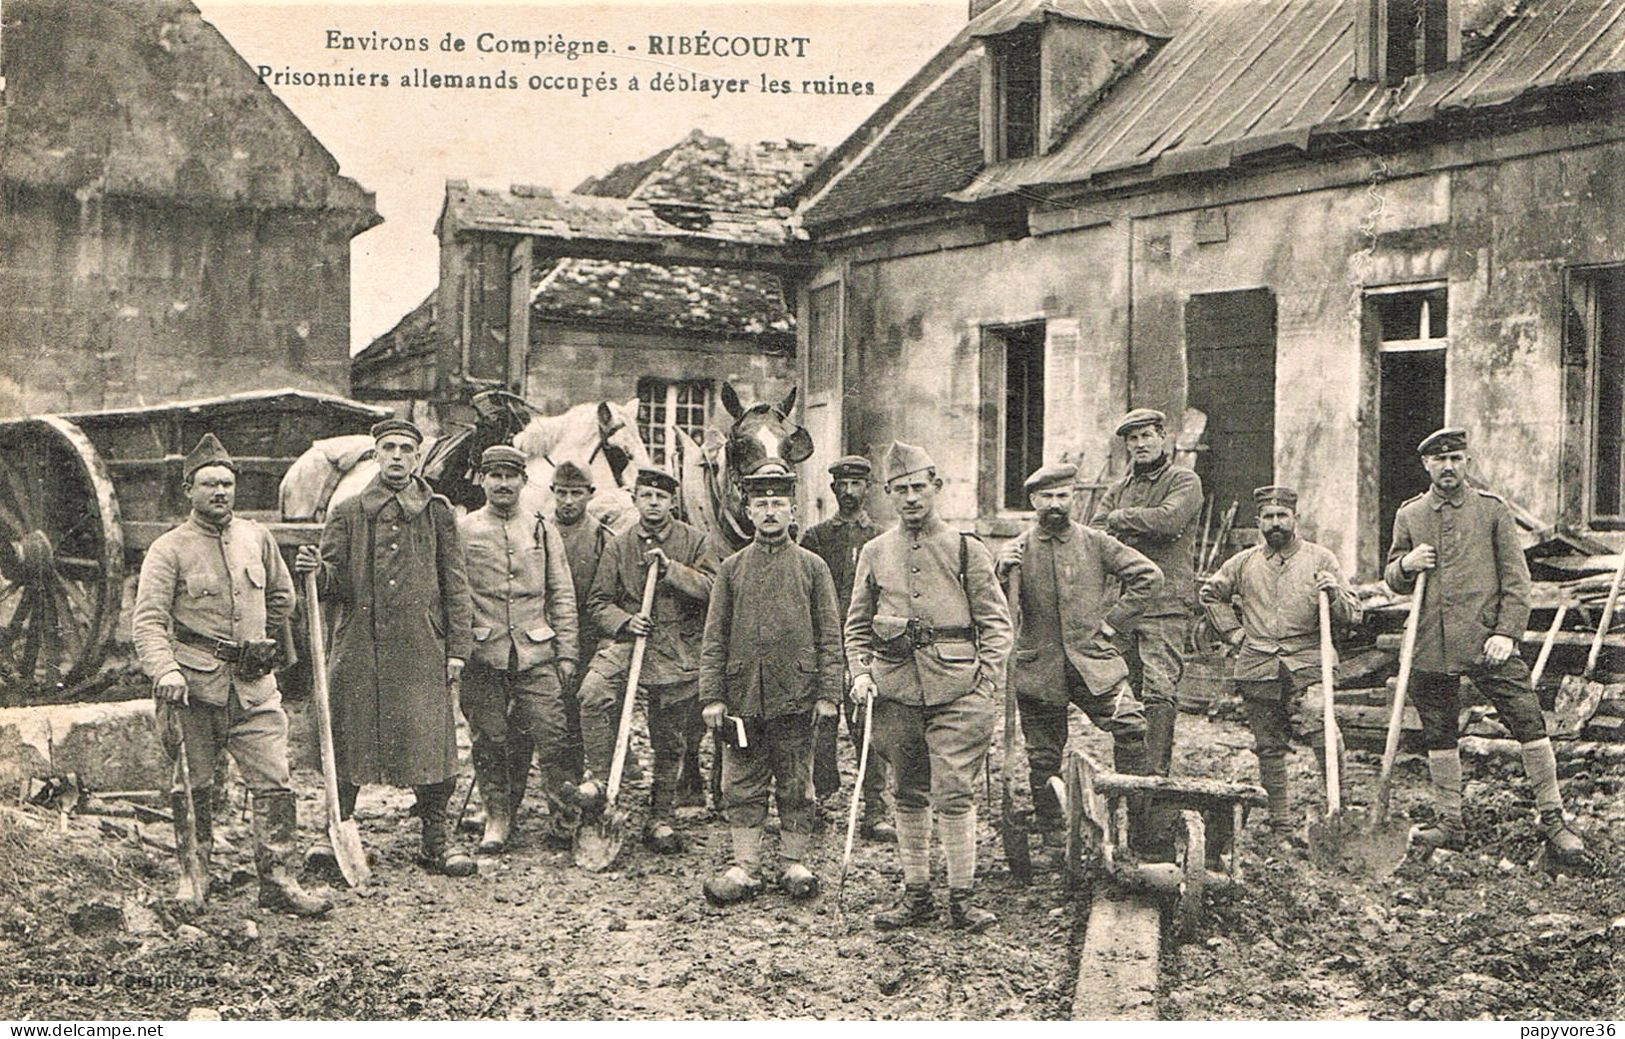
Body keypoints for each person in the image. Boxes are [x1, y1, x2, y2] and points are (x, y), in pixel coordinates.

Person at [131, 433, 330, 916]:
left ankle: (280, 881)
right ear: (189, 491)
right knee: (195, 787)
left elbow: (283, 596)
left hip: (254, 686)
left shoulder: (255, 537)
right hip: (194, 690)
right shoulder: (168, 549)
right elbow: (148, 623)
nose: (220, 492)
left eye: (226, 484)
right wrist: (166, 671)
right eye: (209, 484)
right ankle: (193, 879)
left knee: (275, 782)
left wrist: (263, 642)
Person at [1384, 428, 1586, 865]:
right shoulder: (1411, 514)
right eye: (1440, 460)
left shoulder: (1492, 511)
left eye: (1456, 457)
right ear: (1427, 465)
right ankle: (1449, 822)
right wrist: (1406, 564)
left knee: (1528, 719)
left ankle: (1553, 818)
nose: (1449, 466)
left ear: (1467, 461)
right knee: (1438, 730)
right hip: (1431, 643)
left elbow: (1517, 581)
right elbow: (1393, 577)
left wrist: (1506, 634)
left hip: (1486, 639)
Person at [294, 417, 477, 879]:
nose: (397, 456)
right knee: (346, 738)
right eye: (388, 448)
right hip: (358, 646)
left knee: (430, 743)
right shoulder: (349, 512)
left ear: (417, 458)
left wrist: (457, 648)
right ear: (376, 456)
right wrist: (315, 570)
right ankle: (334, 829)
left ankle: (436, 841)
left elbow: (455, 584)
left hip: (420, 647)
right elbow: (332, 583)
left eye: (405, 449)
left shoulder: (437, 514)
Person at [845, 441, 1012, 932]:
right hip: (896, 691)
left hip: (959, 691)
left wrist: (985, 682)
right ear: (888, 495)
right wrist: (860, 673)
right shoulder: (875, 552)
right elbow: (856, 626)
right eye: (900, 490)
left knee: (955, 793)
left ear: (936, 487)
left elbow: (997, 626)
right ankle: (916, 896)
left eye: (919, 487)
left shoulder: (966, 549)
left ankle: (962, 899)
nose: (911, 498)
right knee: (907, 792)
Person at [995, 463, 1160, 866]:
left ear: (1073, 499)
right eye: (1047, 497)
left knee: (1131, 726)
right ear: (1033, 501)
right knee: (1043, 757)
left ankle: (1134, 827)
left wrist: (1112, 623)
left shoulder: (1095, 542)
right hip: (1039, 668)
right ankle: (1053, 835)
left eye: (1063, 496)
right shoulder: (1017, 551)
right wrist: (1001, 571)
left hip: (1093, 664)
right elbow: (993, 607)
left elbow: (1148, 576)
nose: (1055, 504)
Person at [698, 465, 844, 904]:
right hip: (743, 695)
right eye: (760, 504)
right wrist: (712, 696)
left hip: (796, 696)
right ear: (748, 510)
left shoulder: (812, 568)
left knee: (796, 780)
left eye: (777, 503)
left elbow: (829, 636)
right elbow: (714, 637)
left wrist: (827, 694)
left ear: (792, 509)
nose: (769, 512)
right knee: (740, 781)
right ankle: (746, 867)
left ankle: (793, 863)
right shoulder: (731, 569)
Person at [1199, 485, 1360, 838]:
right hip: (1258, 664)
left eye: (1282, 516)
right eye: (1268, 517)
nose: (1275, 524)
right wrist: (1234, 633)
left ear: (1295, 519)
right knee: (1268, 746)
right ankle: (1280, 822)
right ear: (1259, 522)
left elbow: (1353, 615)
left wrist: (1333, 592)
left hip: (1308, 661)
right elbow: (1210, 594)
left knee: (1323, 732)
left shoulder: (1321, 559)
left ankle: (1341, 810)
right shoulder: (1243, 563)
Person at [577, 465, 718, 853]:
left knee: (669, 738)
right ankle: (606, 784)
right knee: (592, 693)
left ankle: (661, 816)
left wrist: (671, 570)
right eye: (646, 496)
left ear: (672, 502)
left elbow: (711, 588)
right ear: (635, 499)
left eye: (661, 497)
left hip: (676, 648)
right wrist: (625, 621)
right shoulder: (619, 545)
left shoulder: (694, 541)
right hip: (629, 643)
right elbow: (598, 602)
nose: (653, 504)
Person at [457, 445, 579, 854]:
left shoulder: (542, 529)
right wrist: (459, 650)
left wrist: (567, 653)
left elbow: (561, 594)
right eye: (494, 476)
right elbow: (455, 596)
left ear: (524, 482)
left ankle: (565, 817)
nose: (503, 484)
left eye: (511, 476)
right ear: (482, 480)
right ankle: (498, 817)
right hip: (484, 655)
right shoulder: (465, 530)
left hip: (536, 653)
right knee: (489, 739)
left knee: (553, 735)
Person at [1090, 409, 1204, 794]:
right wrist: (1128, 520)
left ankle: (1153, 790)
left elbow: (1169, 522)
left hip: (1165, 605)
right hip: (1121, 609)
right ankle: (1127, 784)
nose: (1139, 445)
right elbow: (1094, 534)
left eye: (1146, 437)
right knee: (1122, 693)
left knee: (1158, 691)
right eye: (1132, 439)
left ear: (1163, 439)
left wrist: (1119, 520)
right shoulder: (1117, 488)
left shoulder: (1184, 481)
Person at [800, 455, 893, 840]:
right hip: (825, 643)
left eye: (857, 484)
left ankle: (875, 807)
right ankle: (818, 800)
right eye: (843, 485)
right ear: (833, 488)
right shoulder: (816, 538)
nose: (850, 492)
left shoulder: (883, 538)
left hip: (868, 645)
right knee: (821, 722)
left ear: (867, 489)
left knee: (868, 725)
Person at [551, 461, 616, 790]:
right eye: (561, 493)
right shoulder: (538, 530)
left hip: (588, 638)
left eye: (576, 493)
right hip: (545, 638)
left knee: (578, 717)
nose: (567, 501)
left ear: (590, 495)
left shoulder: (603, 539)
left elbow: (608, 595)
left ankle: (576, 791)